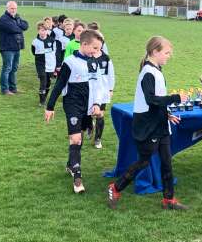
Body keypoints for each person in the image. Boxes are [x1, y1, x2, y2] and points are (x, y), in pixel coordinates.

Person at [107, 36, 186, 210]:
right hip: (148, 127)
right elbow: (151, 99)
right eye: (166, 53)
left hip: (159, 124)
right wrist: (176, 98)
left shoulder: (157, 69)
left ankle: (168, 199)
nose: (169, 56)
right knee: (143, 161)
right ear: (155, 52)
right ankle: (115, 187)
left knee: (166, 162)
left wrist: (167, 115)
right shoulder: (148, 73)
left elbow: (155, 100)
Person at [44, 30, 104, 194]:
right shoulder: (69, 62)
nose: (96, 51)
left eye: (98, 48)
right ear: (84, 44)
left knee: (80, 137)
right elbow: (59, 85)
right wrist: (50, 107)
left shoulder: (94, 63)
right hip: (72, 104)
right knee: (76, 139)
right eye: (94, 47)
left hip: (87, 106)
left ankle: (71, 164)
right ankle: (77, 178)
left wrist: (97, 104)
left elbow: (97, 86)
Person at [0, 1, 29, 95]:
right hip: (7, 48)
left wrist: (18, 23)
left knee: (14, 68)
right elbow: (15, 29)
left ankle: (13, 88)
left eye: (15, 8)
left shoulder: (16, 18)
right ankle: (5, 89)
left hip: (16, 47)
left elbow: (26, 26)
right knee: (7, 68)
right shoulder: (3, 19)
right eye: (12, 8)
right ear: (7, 8)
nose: (14, 10)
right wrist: (19, 25)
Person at [31, 21, 62, 106]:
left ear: (47, 31)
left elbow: (56, 53)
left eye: (44, 30)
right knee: (43, 80)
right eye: (41, 30)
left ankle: (45, 96)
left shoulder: (52, 41)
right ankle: (42, 101)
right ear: (38, 31)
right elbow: (33, 52)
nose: (43, 32)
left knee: (48, 82)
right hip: (40, 64)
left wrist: (57, 65)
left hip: (50, 65)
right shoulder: (34, 42)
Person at [91, 36, 115, 149]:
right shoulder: (88, 56)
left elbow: (111, 74)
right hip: (89, 90)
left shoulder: (106, 58)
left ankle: (98, 139)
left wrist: (110, 89)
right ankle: (89, 124)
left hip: (102, 91)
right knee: (90, 113)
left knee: (100, 114)